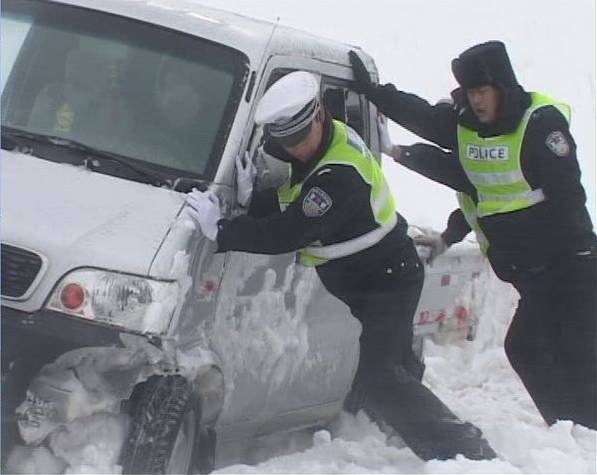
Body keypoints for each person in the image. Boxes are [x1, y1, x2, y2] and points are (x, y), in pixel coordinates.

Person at [185, 71, 496, 460]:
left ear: (319, 115)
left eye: (300, 139)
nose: (295, 149)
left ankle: (467, 452)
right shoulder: (323, 141)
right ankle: (403, 438)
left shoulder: (340, 176)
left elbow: (288, 232)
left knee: (381, 376)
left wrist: (223, 231)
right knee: (394, 365)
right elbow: (294, 196)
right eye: (287, 141)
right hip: (374, 275)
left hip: (385, 282)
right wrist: (256, 199)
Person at [350, 41, 597, 429]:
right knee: (529, 350)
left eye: (483, 91)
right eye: (470, 93)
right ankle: (571, 431)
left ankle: (581, 434)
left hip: (568, 267)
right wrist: (375, 94)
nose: (477, 101)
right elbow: (437, 134)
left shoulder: (540, 126)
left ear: (503, 86)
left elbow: (570, 199)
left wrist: (582, 260)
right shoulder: (468, 126)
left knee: (572, 355)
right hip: (532, 273)